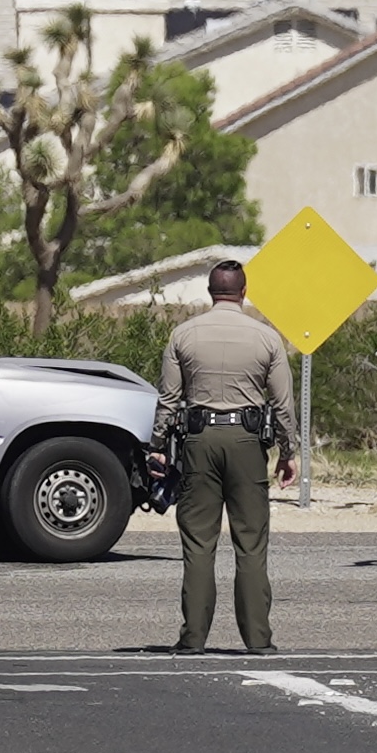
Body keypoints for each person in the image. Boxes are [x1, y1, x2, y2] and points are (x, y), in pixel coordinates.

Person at [153, 259, 298, 654]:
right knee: (250, 543)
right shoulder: (266, 338)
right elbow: (283, 403)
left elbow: (167, 400)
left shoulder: (183, 335)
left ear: (211, 292)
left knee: (199, 544)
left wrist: (157, 446)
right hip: (247, 443)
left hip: (198, 441)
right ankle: (258, 639)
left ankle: (193, 638)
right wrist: (289, 452)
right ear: (244, 292)